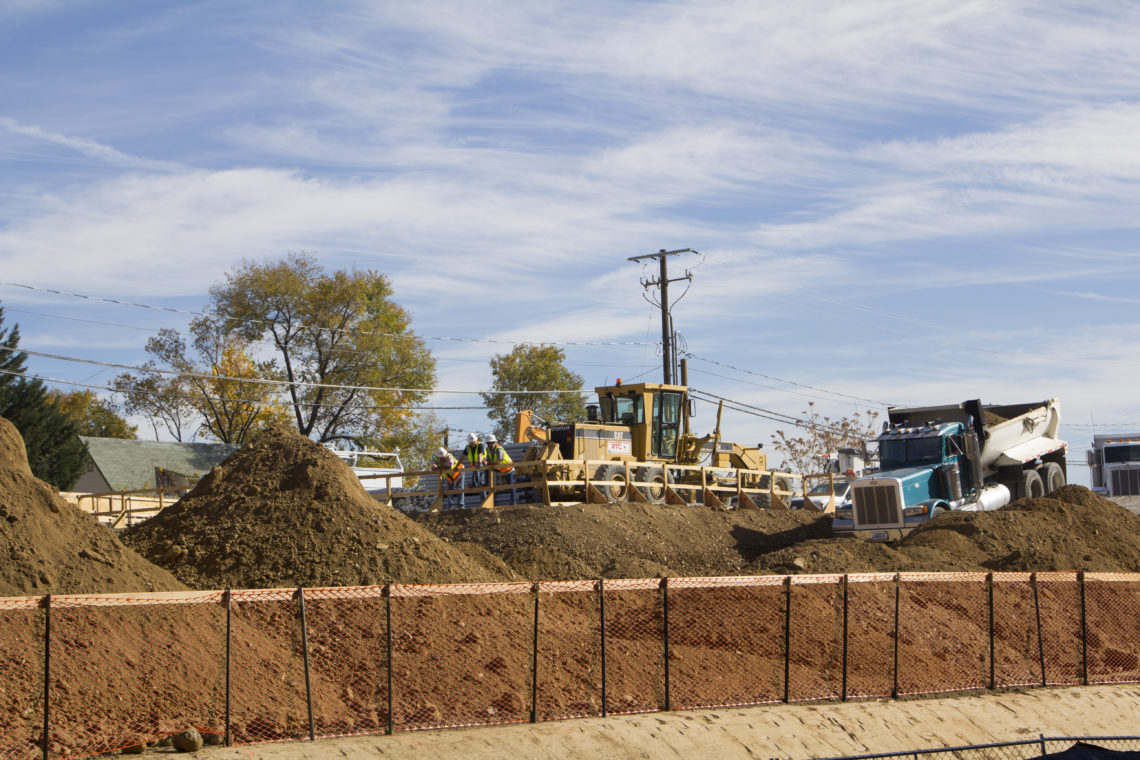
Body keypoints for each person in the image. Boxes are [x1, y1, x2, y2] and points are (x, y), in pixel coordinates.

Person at [485, 433, 516, 505]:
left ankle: (513, 503)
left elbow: (499, 461)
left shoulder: (499, 449)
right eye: (488, 443)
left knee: (510, 486)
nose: (489, 445)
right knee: (487, 469)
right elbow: (488, 460)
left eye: (490, 443)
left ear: (494, 442)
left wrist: (489, 463)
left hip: (508, 469)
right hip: (500, 468)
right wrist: (486, 463)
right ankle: (486, 483)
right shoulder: (488, 450)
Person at [462, 432, 489, 502]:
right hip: (475, 467)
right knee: (478, 482)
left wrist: (479, 462)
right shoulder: (468, 447)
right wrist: (457, 465)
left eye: (472, 442)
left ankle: (485, 501)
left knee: (480, 483)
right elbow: (462, 457)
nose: (472, 444)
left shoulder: (480, 445)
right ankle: (474, 484)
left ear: (475, 441)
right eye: (470, 443)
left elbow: (480, 455)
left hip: (481, 465)